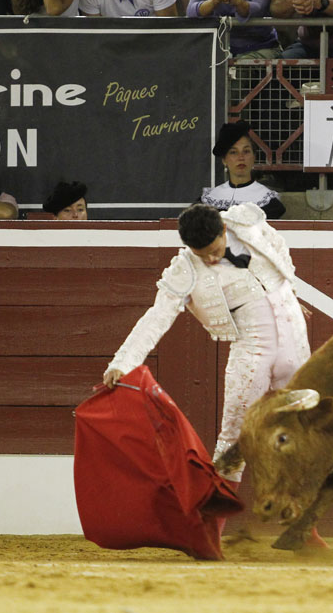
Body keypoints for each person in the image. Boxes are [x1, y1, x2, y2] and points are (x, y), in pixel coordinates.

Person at [103, 203, 310, 484]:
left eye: (215, 250)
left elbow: (278, 248)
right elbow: (157, 317)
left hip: (293, 335)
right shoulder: (185, 267)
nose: (211, 260)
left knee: (301, 429)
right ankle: (212, 526)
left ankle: (305, 526)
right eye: (203, 255)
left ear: (224, 229)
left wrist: (290, 291)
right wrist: (123, 363)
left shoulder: (246, 223)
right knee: (234, 437)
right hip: (252, 349)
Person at [201, 122, 286, 219]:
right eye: (233, 152)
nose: (241, 157)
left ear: (254, 157)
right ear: (224, 160)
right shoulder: (209, 201)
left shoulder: (270, 203)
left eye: (246, 151)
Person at [187, 0, 281, 58]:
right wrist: (214, 2)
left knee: (235, 74)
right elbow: (191, 11)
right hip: (219, 50)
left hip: (261, 47)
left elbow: (258, 9)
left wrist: (236, 2)